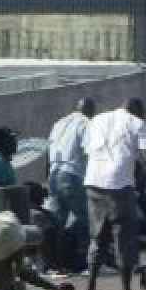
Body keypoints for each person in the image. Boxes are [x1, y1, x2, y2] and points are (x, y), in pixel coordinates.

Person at [82, 98, 146, 290]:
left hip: (93, 182)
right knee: (124, 237)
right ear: (138, 111)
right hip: (120, 186)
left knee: (98, 237)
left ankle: (90, 289)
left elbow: (88, 151)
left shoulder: (96, 120)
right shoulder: (137, 123)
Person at [47, 99, 95, 273]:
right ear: (90, 110)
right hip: (71, 175)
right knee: (86, 219)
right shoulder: (86, 122)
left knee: (56, 222)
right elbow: (89, 151)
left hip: (53, 175)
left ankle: (54, 265)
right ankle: (83, 263)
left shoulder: (59, 123)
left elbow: (48, 152)